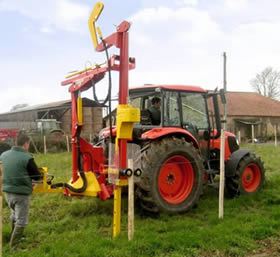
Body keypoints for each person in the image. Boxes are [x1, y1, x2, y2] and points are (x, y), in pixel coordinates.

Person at [0, 133, 43, 250]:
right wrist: (43, 174)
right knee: (22, 220)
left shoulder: (4, 155)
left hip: (7, 192)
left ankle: (13, 237)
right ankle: (14, 247)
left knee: (14, 215)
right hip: (21, 194)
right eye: (28, 144)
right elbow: (37, 176)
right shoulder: (27, 157)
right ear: (25, 144)